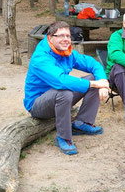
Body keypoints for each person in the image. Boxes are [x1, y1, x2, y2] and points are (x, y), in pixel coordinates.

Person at [24, 21, 110, 155]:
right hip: (38, 105)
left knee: (93, 77)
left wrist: (103, 82)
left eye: (68, 36)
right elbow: (61, 80)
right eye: (61, 36)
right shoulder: (41, 58)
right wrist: (94, 84)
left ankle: (82, 123)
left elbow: (93, 64)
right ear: (50, 37)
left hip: (59, 97)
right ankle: (63, 137)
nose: (66, 40)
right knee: (65, 92)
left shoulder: (66, 52)